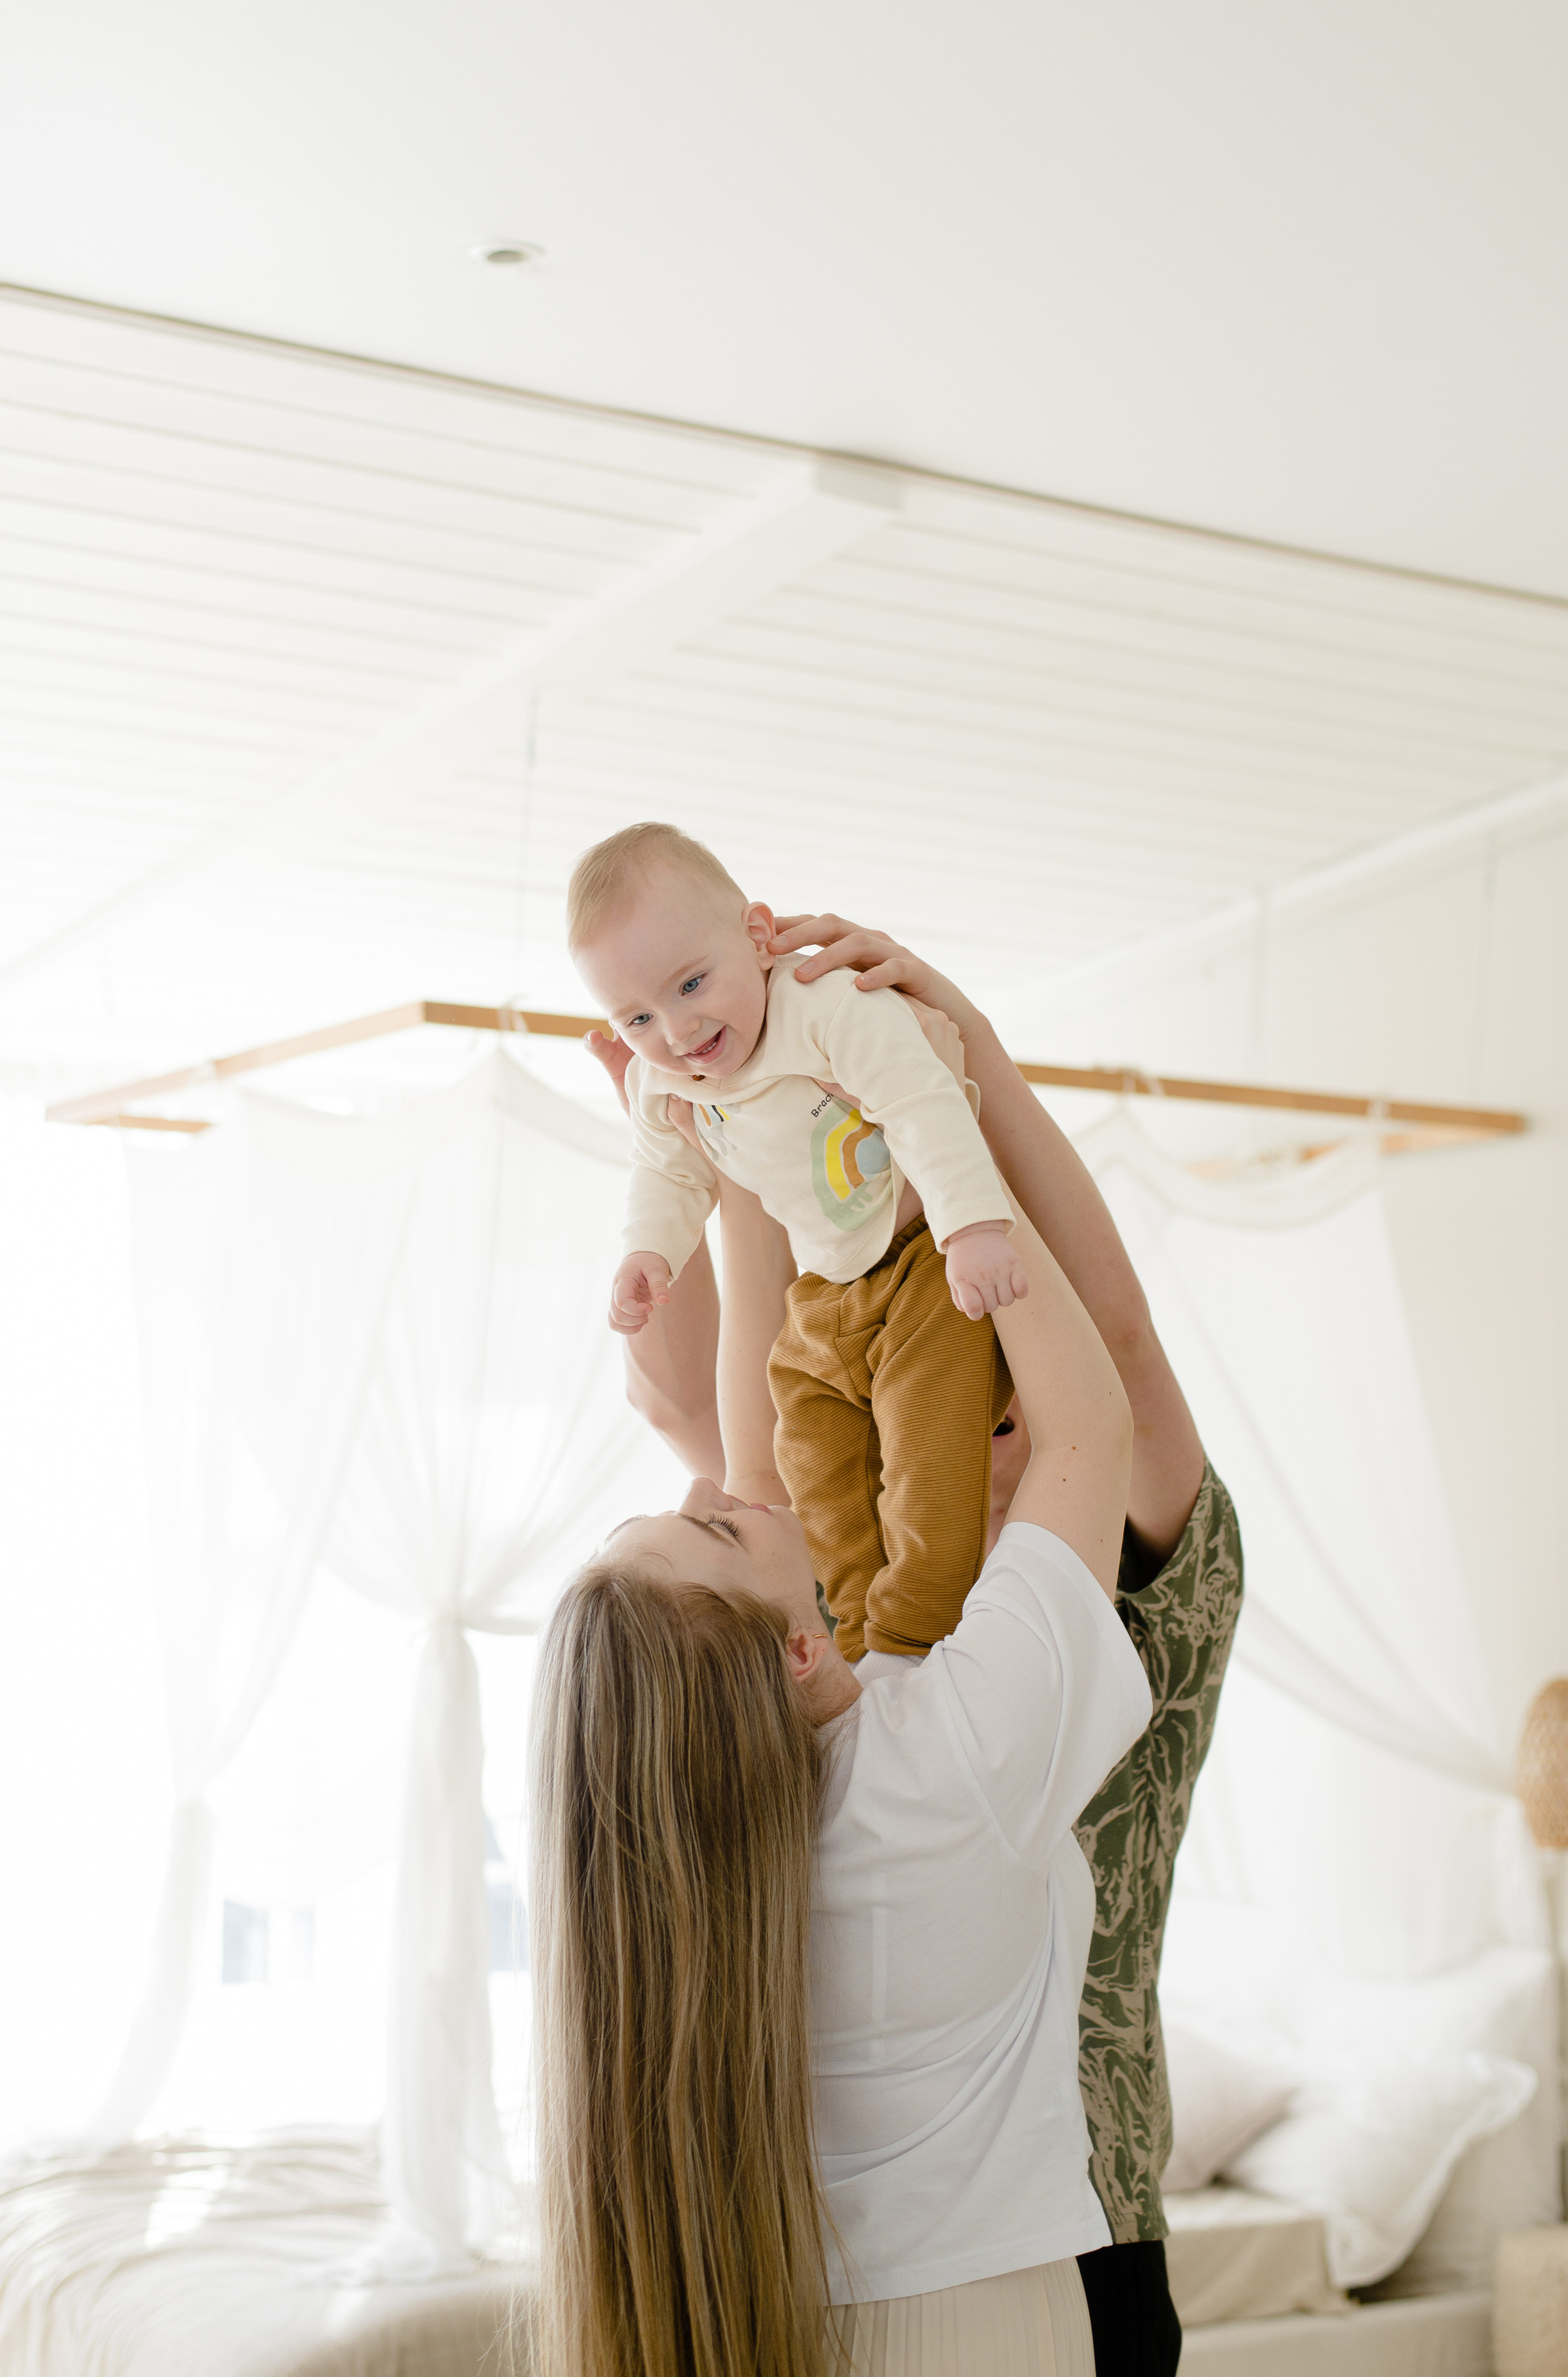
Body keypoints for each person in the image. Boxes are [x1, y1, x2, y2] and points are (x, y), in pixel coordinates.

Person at [594, 917, 1244, 2377]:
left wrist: (945, 1059)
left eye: (991, 1418)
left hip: (1079, 2228)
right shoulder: (851, 1652)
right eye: (938, 1433)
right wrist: (744, 1091)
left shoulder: (1132, 1595)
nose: (976, 1453)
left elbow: (1116, 1361)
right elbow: (772, 1384)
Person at [530, 1139, 1150, 2375]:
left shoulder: (684, 1890)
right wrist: (951, 1134)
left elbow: (760, 1460)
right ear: (800, 1657)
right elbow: (1091, 1420)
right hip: (989, 2334)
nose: (727, 1485)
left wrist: (741, 1139)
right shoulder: (949, 1765)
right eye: (712, 1520)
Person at [567, 821, 1023, 1663]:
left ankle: (914, 1633)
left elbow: (926, 1099)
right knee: (808, 1448)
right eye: (636, 1016)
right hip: (829, 1285)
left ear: (757, 934)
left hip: (920, 1255)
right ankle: (856, 1629)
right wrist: (649, 1255)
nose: (676, 1028)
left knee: (926, 1453)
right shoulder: (669, 1077)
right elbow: (667, 1177)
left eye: (693, 982)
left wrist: (973, 1229)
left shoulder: (824, 1009)